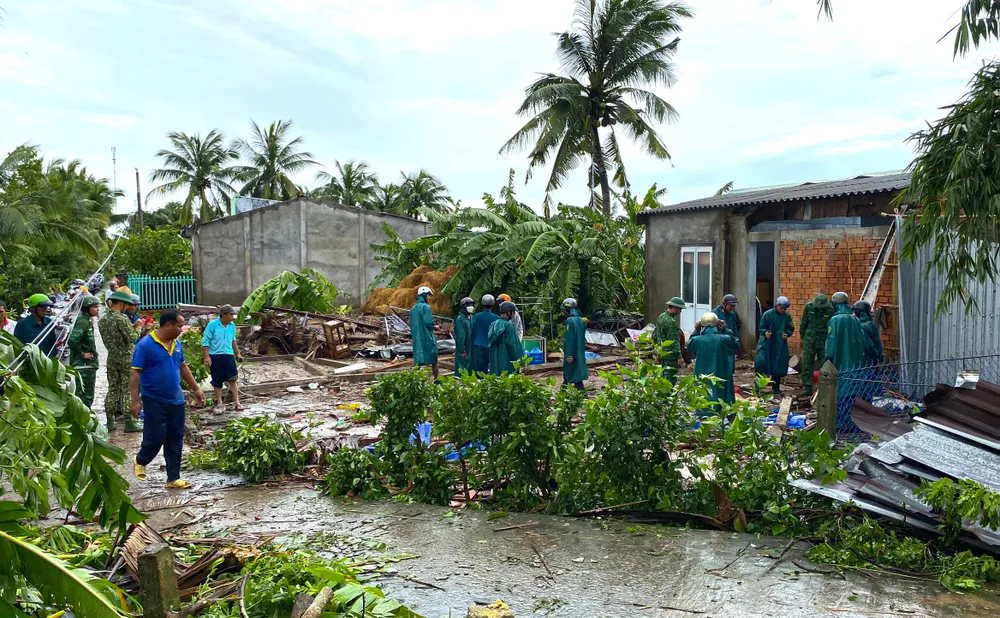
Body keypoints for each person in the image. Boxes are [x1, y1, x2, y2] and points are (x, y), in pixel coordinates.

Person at [131, 310, 206, 489]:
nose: (182, 329)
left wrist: (196, 388)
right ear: (167, 325)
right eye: (179, 326)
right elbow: (135, 373)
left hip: (176, 400)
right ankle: (140, 459)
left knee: (175, 439)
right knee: (156, 437)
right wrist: (134, 401)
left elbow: (182, 366)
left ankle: (173, 478)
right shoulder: (145, 345)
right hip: (154, 398)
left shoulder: (177, 343)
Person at [99, 290, 142, 432]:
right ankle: (129, 421)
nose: (128, 307)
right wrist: (139, 327)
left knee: (112, 389)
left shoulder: (103, 320)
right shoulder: (121, 319)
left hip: (112, 357)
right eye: (127, 305)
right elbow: (132, 338)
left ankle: (110, 421)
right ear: (122, 304)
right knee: (126, 389)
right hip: (126, 358)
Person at [825, 292, 865, 432]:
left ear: (835, 304)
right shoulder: (855, 319)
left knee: (841, 392)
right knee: (853, 392)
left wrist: (828, 359)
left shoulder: (835, 320)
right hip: (855, 362)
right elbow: (862, 340)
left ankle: (842, 424)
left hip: (840, 361)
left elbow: (831, 341)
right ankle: (853, 422)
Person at [688, 312, 739, 407]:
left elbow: (690, 345)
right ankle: (721, 410)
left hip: (702, 372)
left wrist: (696, 330)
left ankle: (704, 411)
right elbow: (735, 344)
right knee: (722, 393)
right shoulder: (724, 339)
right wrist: (726, 330)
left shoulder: (697, 340)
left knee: (703, 391)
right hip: (721, 371)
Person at [202, 304, 244, 412]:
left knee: (233, 379)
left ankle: (237, 402)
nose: (232, 317)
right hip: (215, 356)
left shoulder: (231, 326)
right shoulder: (212, 325)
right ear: (224, 315)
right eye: (231, 315)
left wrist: (237, 354)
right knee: (217, 380)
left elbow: (233, 340)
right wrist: (207, 357)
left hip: (228, 355)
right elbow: (206, 341)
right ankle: (219, 403)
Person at [755, 296, 794, 394]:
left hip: (779, 344)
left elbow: (790, 328)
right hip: (766, 343)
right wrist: (765, 332)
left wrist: (787, 334)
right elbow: (761, 327)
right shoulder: (768, 314)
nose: (783, 310)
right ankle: (757, 387)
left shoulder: (787, 317)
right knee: (761, 363)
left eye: (785, 308)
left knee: (778, 365)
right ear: (777, 305)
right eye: (782, 308)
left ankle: (776, 388)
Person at [798, 294, 836, 396]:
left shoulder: (830, 310)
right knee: (807, 363)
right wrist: (802, 338)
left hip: (824, 341)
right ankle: (807, 387)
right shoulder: (808, 307)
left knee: (825, 364)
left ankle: (824, 388)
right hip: (809, 340)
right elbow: (804, 323)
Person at [69, 295, 101, 409]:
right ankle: (82, 417)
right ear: (87, 308)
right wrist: (82, 354)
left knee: (85, 395)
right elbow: (73, 340)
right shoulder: (82, 321)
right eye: (95, 307)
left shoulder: (86, 320)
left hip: (88, 364)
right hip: (84, 365)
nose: (98, 309)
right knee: (85, 396)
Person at [653, 297, 686, 384]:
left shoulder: (661, 317)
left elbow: (655, 335)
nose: (680, 312)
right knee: (671, 376)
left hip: (662, 351)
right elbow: (674, 340)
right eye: (680, 309)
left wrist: (656, 351)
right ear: (674, 308)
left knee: (664, 373)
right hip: (671, 354)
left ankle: (663, 391)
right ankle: (668, 392)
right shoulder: (671, 322)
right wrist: (679, 356)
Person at [409, 286, 439, 379]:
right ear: (425, 295)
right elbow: (429, 323)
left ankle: (415, 381)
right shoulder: (426, 307)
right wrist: (435, 327)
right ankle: (437, 380)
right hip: (427, 337)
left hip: (417, 339)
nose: (430, 298)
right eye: (429, 295)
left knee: (418, 360)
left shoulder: (413, 309)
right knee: (434, 359)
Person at [488, 301, 523, 376]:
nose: (514, 314)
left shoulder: (493, 324)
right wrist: (520, 359)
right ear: (509, 312)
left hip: (494, 363)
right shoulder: (509, 325)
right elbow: (513, 345)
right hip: (506, 361)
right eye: (513, 312)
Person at [561, 297, 588, 390]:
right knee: (576, 371)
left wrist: (569, 354)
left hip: (572, 351)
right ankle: (564, 390)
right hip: (579, 350)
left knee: (571, 372)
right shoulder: (581, 320)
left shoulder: (570, 321)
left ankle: (580, 393)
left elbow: (569, 338)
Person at [471, 294, 498, 374]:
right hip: (491, 347)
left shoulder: (476, 316)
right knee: (493, 369)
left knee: (480, 370)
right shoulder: (496, 317)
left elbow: (472, 330)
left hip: (479, 345)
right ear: (493, 304)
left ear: (482, 304)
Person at [853, 301, 885, 366]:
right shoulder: (870, 323)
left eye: (855, 311)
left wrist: (876, 357)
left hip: (867, 360)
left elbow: (869, 346)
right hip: (873, 359)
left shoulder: (862, 327)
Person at [453, 297, 474, 377]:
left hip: (471, 347)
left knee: (469, 367)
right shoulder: (460, 319)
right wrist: (462, 350)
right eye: (468, 305)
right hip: (464, 348)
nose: (471, 307)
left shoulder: (471, 318)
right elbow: (460, 336)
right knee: (462, 367)